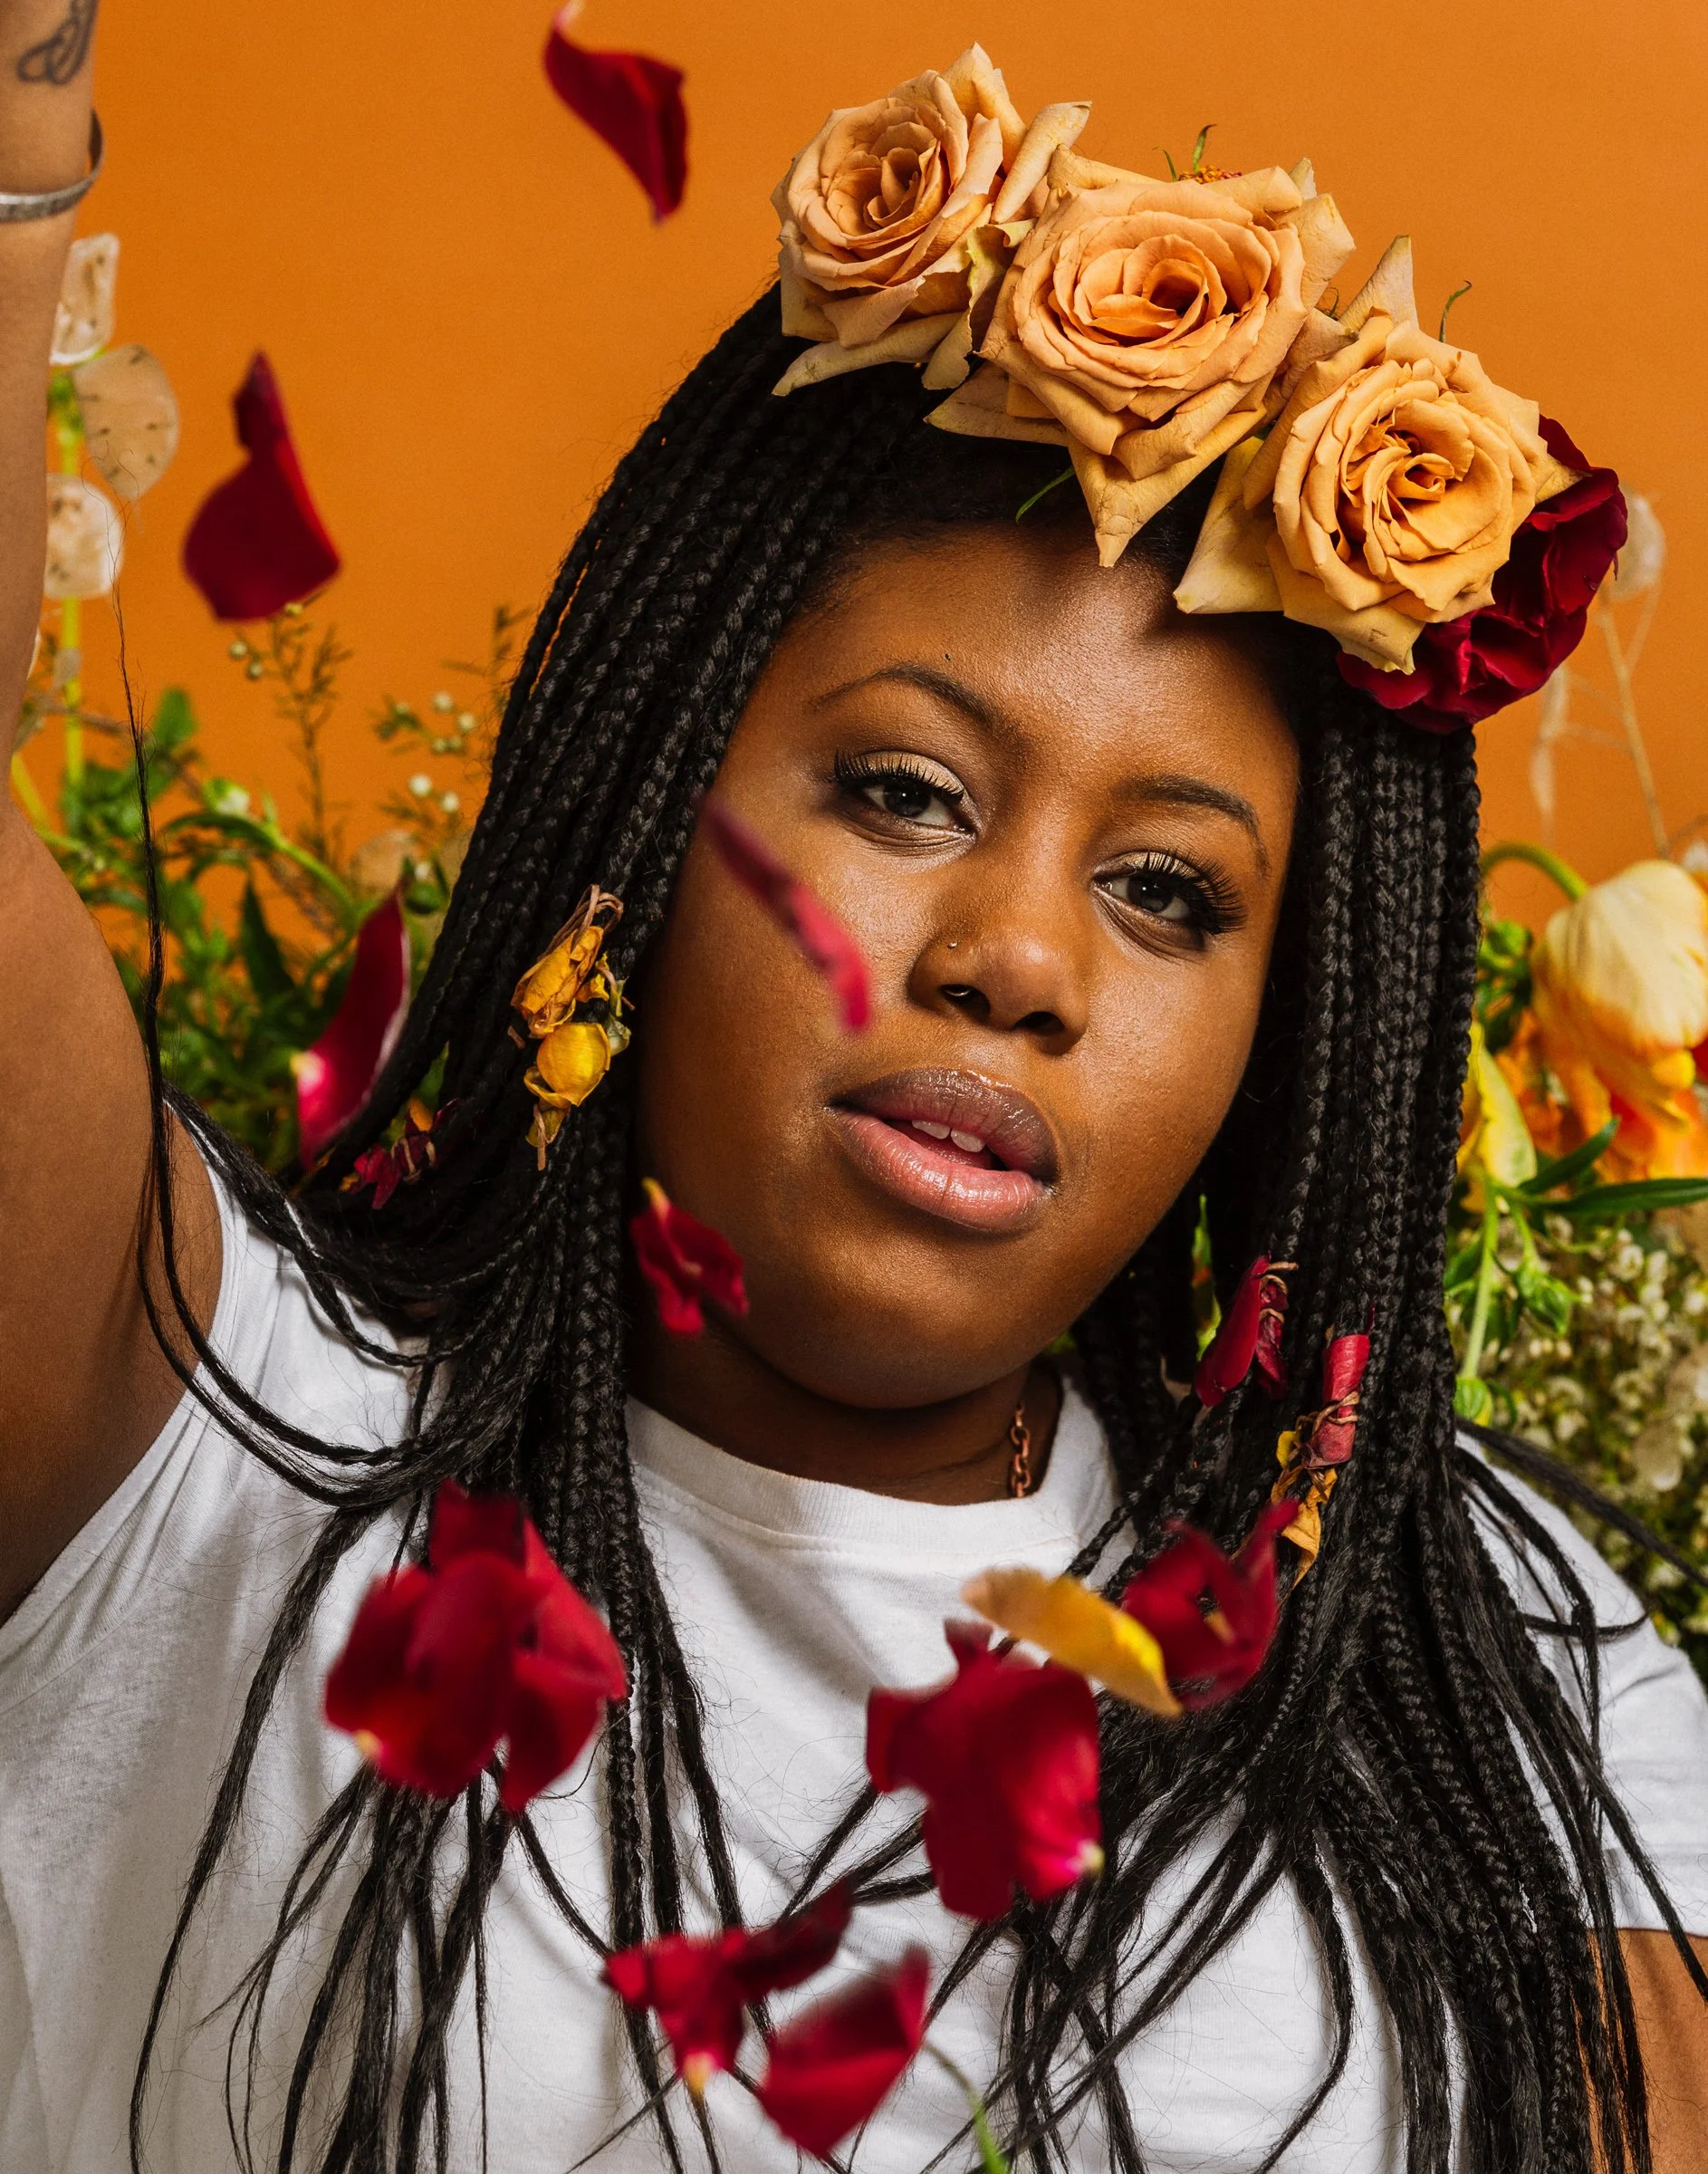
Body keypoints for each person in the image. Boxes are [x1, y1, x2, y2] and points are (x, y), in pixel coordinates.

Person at [2, 18, 1705, 2174]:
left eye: (1171, 893)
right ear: (652, 809)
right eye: (904, 789)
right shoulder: (211, 1431)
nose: (1017, 960)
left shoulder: (1476, 1634)